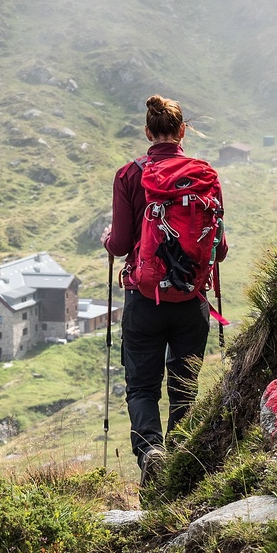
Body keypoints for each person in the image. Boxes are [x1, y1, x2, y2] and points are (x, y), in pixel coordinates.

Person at [101, 94, 228, 486]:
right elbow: (219, 249)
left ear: (147, 132)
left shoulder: (129, 175)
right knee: (184, 389)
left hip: (144, 298)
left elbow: (120, 244)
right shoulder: (205, 175)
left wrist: (109, 240)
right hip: (192, 299)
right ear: (182, 131)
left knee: (141, 387)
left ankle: (151, 453)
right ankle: (183, 469)